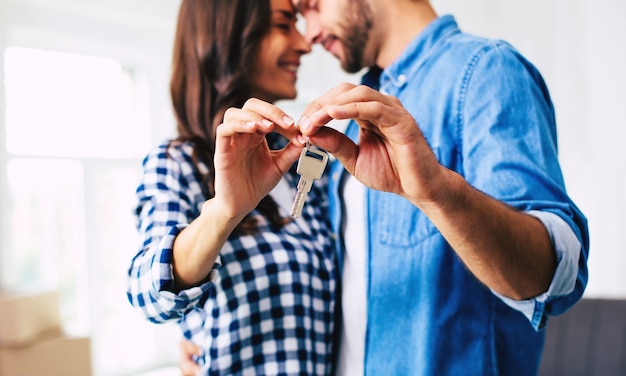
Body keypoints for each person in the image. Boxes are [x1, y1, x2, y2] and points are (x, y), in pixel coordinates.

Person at [181, 0, 590, 374]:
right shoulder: (352, 114)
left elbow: (553, 278)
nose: (310, 35)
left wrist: (436, 192)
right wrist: (202, 332)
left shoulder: (485, 71)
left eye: (313, 6)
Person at [125, 0, 337, 375]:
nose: (305, 44)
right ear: (230, 35)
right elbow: (147, 293)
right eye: (283, 24)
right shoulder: (177, 163)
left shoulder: (302, 161)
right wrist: (224, 212)